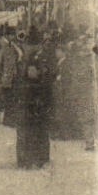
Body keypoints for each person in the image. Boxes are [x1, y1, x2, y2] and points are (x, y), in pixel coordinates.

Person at [15, 29, 59, 169]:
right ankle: (37, 159)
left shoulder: (28, 56)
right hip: (36, 96)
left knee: (31, 130)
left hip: (32, 96)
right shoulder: (37, 57)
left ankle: (29, 160)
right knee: (37, 130)